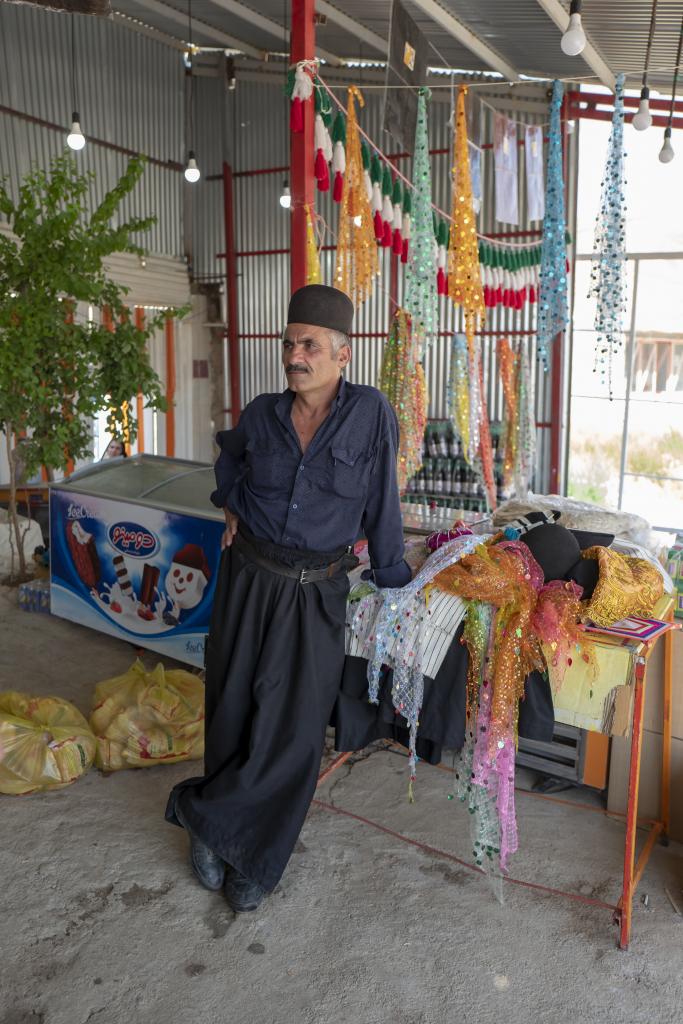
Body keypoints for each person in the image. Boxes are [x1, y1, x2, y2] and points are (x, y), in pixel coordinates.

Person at [165, 284, 411, 912]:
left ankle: (244, 845)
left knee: (294, 728)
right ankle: (218, 827)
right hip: (248, 578)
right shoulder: (262, 414)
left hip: (316, 592)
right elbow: (229, 464)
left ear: (342, 353)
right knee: (232, 709)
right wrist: (231, 507)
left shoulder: (371, 413)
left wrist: (392, 578)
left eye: (308, 345)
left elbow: (382, 498)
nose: (294, 355)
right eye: (288, 343)